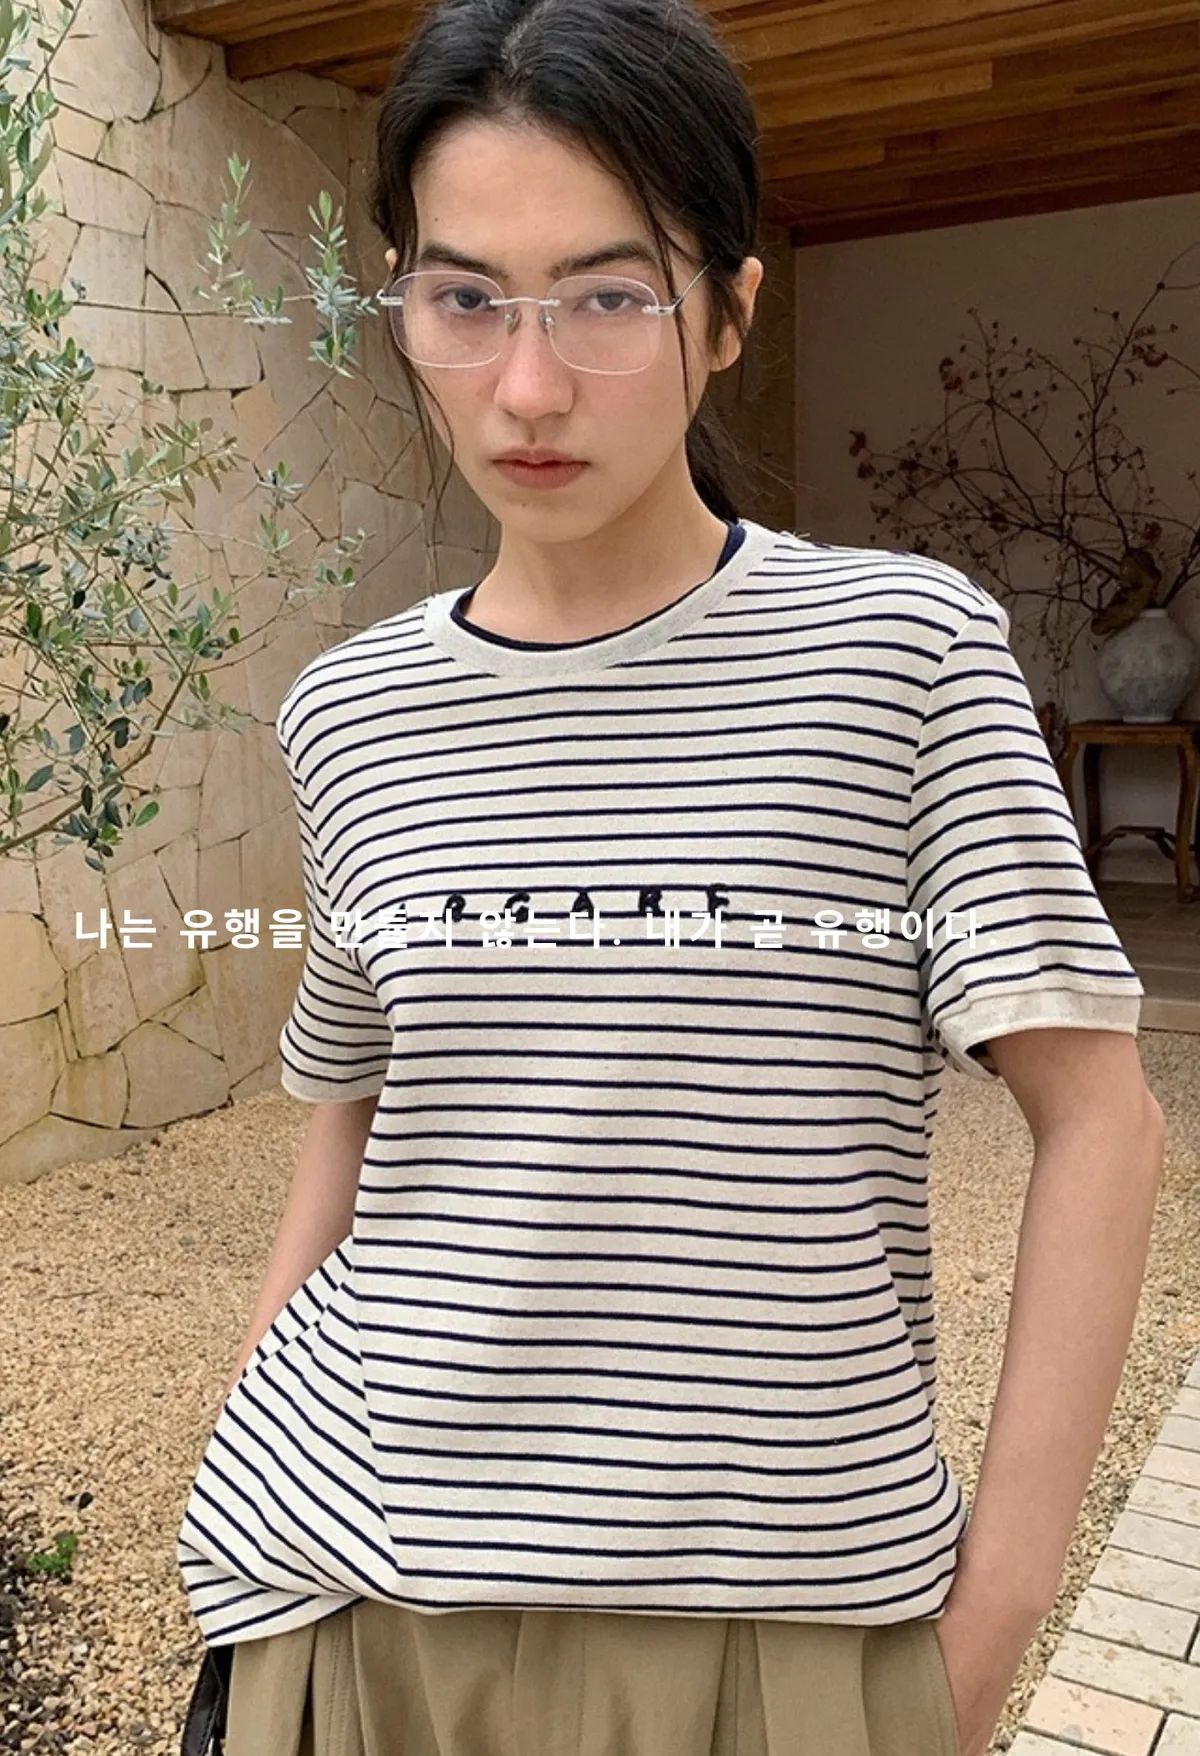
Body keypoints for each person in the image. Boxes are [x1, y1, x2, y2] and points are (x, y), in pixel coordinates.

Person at [175, 0, 1165, 1751]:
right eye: (466, 299)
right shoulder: (353, 712)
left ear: (728, 314)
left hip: (780, 1626)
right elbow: (351, 1114)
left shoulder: (899, 657)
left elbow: (1101, 1117)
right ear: (402, 303)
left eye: (609, 297)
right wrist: (250, 1458)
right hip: (362, 1600)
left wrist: (995, 1611)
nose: (528, 386)